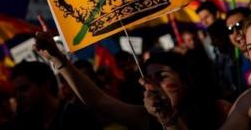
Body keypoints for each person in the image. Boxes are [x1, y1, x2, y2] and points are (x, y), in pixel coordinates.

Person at [33, 16, 231, 130]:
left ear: (185, 80)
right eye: (148, 79)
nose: (152, 86)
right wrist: (59, 59)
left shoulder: (221, 110)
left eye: (162, 77)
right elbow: (99, 100)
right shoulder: (148, 119)